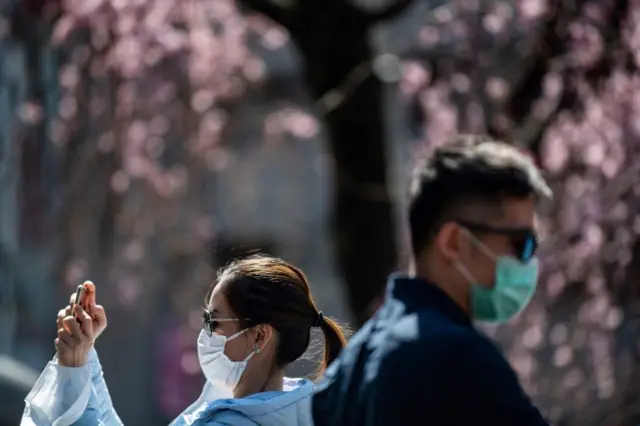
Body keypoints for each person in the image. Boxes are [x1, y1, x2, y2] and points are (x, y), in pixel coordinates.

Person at [312, 135, 552, 425]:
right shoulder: (456, 356)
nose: (529, 261)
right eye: (521, 244)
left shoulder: (354, 363)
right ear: (453, 242)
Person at [21, 255, 347, 426]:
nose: (204, 333)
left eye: (214, 321)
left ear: (259, 335)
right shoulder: (297, 409)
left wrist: (75, 367)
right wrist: (83, 360)